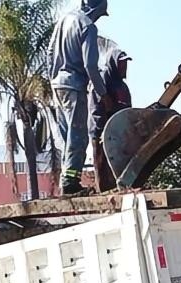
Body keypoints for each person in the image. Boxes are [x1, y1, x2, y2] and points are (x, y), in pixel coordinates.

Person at [47, 0, 109, 195]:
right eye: (100, 13)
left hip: (57, 85)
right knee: (78, 137)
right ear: (95, 8)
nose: (98, 17)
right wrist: (103, 94)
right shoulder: (88, 26)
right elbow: (90, 66)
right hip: (74, 86)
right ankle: (70, 183)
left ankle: (67, 179)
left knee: (67, 138)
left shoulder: (63, 21)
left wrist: (55, 79)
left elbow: (49, 55)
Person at [90, 45, 132, 191]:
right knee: (103, 169)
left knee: (120, 171)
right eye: (121, 63)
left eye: (125, 63)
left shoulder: (122, 86)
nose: (124, 66)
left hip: (120, 136)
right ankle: (104, 194)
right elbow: (97, 107)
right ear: (114, 63)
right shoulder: (103, 79)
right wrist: (101, 130)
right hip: (104, 135)